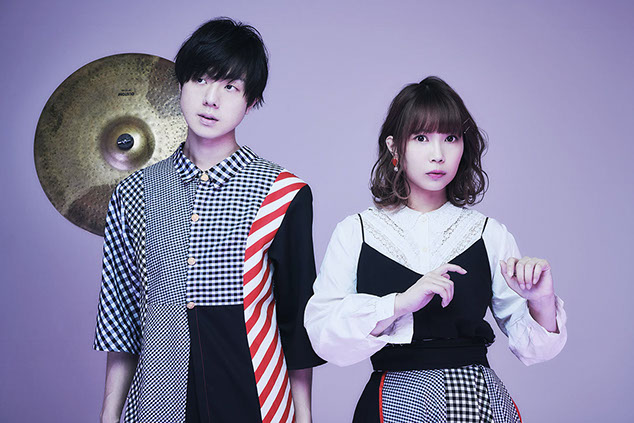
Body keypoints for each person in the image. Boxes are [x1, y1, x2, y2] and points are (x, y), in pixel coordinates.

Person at [94, 18, 323, 423]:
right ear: (181, 85)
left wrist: (303, 416)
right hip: (157, 399)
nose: (211, 99)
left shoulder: (284, 193)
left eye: (231, 86)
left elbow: (296, 321)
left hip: (253, 397)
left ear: (251, 101)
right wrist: (109, 415)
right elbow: (121, 319)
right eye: (200, 79)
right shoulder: (132, 193)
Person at [304, 76, 567, 422]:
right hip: (393, 402)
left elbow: (535, 350)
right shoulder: (357, 232)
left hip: (477, 402)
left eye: (451, 138)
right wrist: (399, 304)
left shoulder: (487, 233)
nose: (438, 154)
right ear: (394, 147)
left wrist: (541, 301)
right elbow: (324, 337)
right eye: (421, 138)